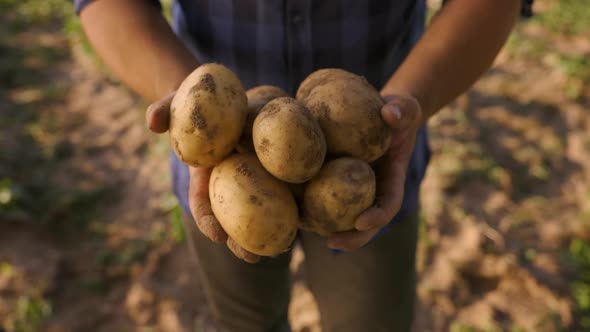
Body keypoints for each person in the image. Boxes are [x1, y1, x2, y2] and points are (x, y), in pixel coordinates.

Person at [76, 1, 526, 331]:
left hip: (377, 157)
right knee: (246, 320)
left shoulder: (360, 163)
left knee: (371, 320)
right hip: (220, 168)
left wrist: (412, 101)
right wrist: (182, 92)